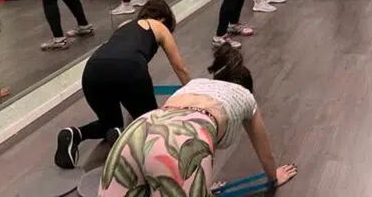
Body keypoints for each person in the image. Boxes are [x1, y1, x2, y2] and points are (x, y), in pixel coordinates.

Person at [98, 44, 297, 196]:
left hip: (138, 129)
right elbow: (265, 154)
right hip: (183, 140)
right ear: (247, 87)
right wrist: (274, 177)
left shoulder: (195, 84)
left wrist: (203, 183)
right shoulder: (245, 96)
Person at [54, 0, 191, 169]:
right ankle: (131, 153)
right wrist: (193, 92)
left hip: (93, 69)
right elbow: (180, 67)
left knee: (110, 124)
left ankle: (75, 134)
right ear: (163, 19)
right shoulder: (159, 26)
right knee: (150, 123)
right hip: (129, 68)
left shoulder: (125, 24)